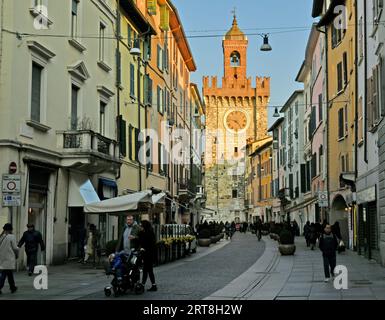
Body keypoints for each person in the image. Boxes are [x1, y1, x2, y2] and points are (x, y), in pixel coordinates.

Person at [138, 220, 157, 292]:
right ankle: (152, 285)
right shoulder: (143, 233)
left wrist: (144, 248)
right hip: (146, 255)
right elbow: (140, 240)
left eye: (141, 225)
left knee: (147, 270)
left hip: (149, 255)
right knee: (148, 270)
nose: (140, 227)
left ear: (144, 226)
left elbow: (151, 245)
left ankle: (144, 285)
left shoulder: (149, 233)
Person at [0, 223, 19, 294]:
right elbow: (15, 248)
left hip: (2, 257)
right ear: (11, 229)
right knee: (5, 273)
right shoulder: (11, 236)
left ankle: (12, 287)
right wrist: (18, 252)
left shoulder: (1, 236)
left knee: (9, 273)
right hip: (9, 258)